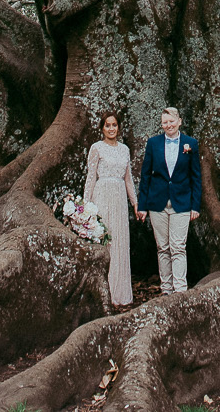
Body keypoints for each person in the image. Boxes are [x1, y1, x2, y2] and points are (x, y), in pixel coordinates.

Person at [134, 106, 201, 294]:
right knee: (162, 247)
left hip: (182, 203)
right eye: (165, 122)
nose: (168, 125)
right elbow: (145, 175)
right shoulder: (153, 143)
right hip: (157, 203)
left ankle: (180, 289)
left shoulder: (190, 144)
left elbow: (196, 177)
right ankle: (166, 289)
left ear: (179, 121)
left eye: (172, 121)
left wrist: (195, 205)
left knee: (178, 246)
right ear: (161, 124)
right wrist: (142, 205)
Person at [84, 112, 139, 307]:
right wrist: (85, 206)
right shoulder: (96, 148)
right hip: (102, 195)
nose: (111, 128)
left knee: (120, 242)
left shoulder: (124, 150)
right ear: (102, 128)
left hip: (119, 197)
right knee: (105, 239)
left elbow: (128, 179)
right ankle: (103, 291)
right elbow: (91, 177)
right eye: (107, 125)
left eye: (114, 125)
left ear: (118, 127)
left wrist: (135, 202)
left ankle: (120, 293)